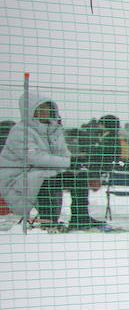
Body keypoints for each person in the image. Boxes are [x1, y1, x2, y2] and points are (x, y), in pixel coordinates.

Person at [0, 96, 101, 229]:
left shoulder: (54, 130)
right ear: (30, 110)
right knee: (48, 179)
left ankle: (80, 219)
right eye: (40, 108)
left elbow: (63, 154)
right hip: (18, 176)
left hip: (45, 171)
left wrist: (76, 162)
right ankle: (48, 222)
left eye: (47, 108)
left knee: (79, 176)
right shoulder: (20, 131)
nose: (45, 111)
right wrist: (69, 162)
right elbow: (34, 158)